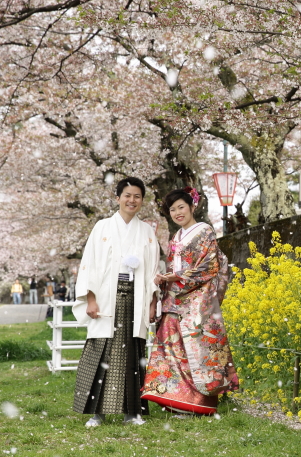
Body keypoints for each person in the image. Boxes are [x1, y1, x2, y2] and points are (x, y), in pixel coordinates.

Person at [141, 187, 238, 416]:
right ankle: (176, 399)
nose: (177, 213)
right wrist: (164, 279)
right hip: (175, 298)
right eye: (173, 210)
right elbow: (174, 265)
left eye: (181, 207)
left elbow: (210, 265)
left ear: (193, 207)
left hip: (197, 299)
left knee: (196, 348)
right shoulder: (176, 236)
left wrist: (180, 276)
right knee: (172, 347)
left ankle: (199, 401)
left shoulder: (204, 231)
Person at [71, 177, 160, 428]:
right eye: (127, 195)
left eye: (137, 196)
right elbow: (90, 264)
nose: (132, 200)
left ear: (142, 200)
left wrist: (153, 302)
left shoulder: (147, 231)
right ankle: (98, 413)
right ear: (118, 197)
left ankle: (132, 412)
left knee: (133, 352)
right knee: (102, 350)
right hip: (107, 296)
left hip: (135, 297)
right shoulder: (102, 227)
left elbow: (153, 269)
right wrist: (90, 298)